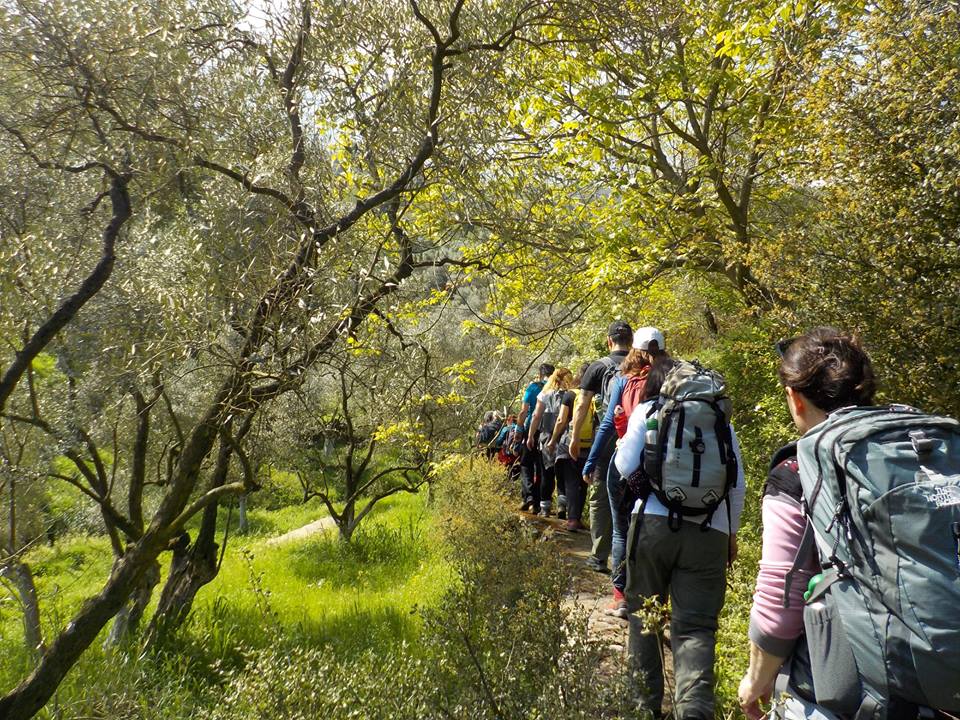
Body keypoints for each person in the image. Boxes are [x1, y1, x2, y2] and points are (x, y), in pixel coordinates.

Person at [737, 328, 875, 720]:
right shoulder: (914, 451)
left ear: (796, 399)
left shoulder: (798, 470)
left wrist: (756, 681)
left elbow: (782, 595)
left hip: (833, 689)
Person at [616, 357, 746, 720]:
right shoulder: (720, 422)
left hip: (653, 528)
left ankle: (643, 708)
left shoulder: (649, 411)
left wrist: (647, 487)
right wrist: (731, 534)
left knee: (646, 619)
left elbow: (623, 464)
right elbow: (738, 483)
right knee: (697, 629)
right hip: (710, 532)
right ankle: (693, 711)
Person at [598, 327, 668, 618]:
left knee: (620, 528)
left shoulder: (623, 380)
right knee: (655, 527)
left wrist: (591, 462)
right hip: (661, 466)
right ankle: (654, 601)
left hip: (626, 462)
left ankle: (620, 596)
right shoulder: (671, 380)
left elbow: (607, 424)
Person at [569, 320, 633, 573]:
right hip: (638, 439)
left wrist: (574, 438)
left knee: (600, 497)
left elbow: (582, 405)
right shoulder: (644, 367)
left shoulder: (598, 367)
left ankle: (599, 555)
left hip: (607, 437)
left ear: (609, 341)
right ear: (631, 341)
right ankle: (629, 561)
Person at [549, 363, 594, 531]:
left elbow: (561, 420)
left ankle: (573, 519)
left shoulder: (570, 395)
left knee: (571, 481)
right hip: (588, 444)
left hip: (569, 444)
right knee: (583, 482)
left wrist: (553, 440)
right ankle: (577, 517)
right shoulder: (595, 396)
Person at [528, 367, 575, 516]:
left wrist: (530, 436)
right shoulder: (572, 395)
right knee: (562, 474)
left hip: (546, 437)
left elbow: (536, 416)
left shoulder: (544, 394)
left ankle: (545, 508)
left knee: (546, 473)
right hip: (565, 438)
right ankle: (562, 507)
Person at [517, 363, 554, 512]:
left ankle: (529, 497)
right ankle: (539, 502)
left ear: (540, 374)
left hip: (531, 430)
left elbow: (524, 411)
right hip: (549, 432)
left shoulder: (533, 387)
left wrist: (519, 431)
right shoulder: (555, 388)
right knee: (543, 467)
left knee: (526, 463)